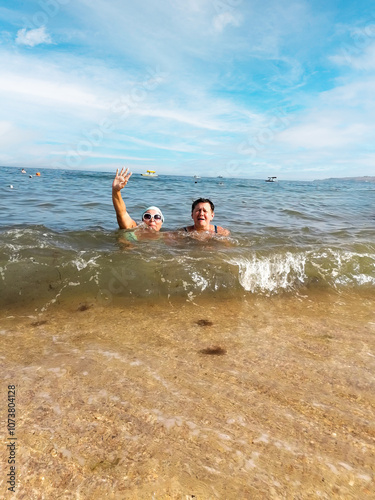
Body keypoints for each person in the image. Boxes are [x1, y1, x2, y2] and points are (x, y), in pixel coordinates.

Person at [112, 167, 164, 232]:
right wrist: (116, 191)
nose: (152, 220)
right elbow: (122, 213)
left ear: (162, 222)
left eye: (157, 217)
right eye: (147, 216)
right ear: (142, 221)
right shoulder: (135, 231)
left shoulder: (168, 236)